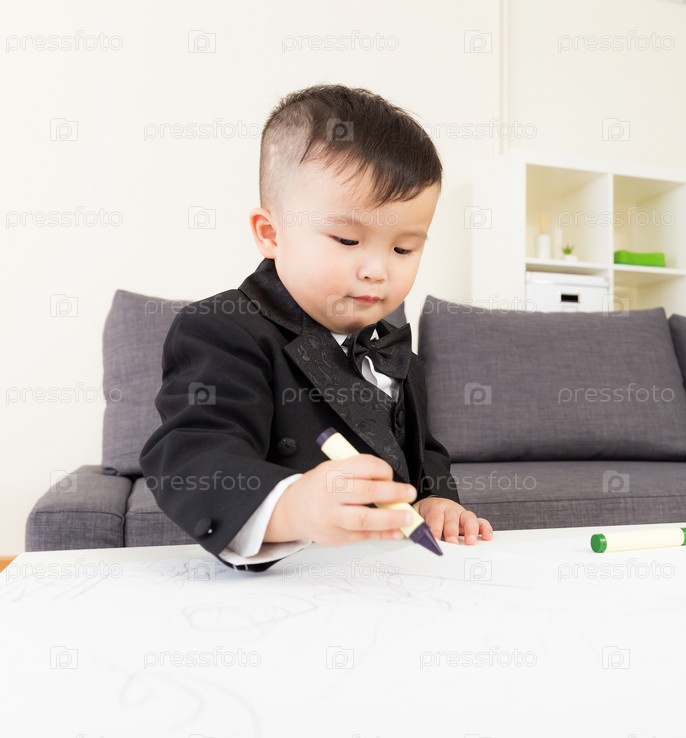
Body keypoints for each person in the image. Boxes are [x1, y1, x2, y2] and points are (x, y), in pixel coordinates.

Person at [139, 84, 493, 572]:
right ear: (271, 234)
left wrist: (436, 499)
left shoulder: (395, 349)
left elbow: (423, 449)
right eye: (347, 239)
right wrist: (292, 507)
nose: (376, 270)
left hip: (391, 575)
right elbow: (193, 455)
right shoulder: (221, 329)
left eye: (403, 248)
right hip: (285, 581)